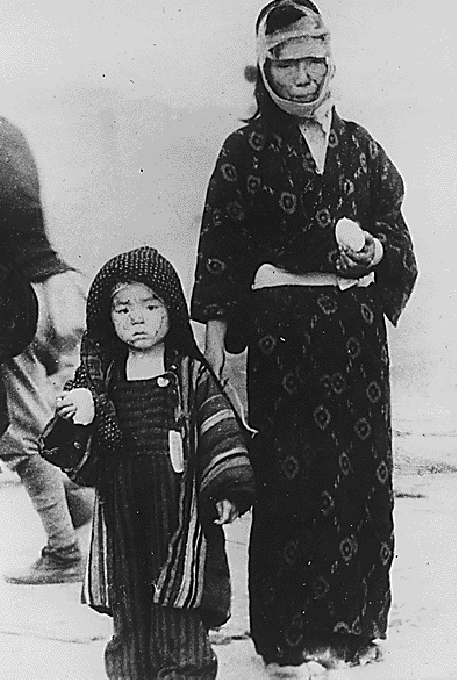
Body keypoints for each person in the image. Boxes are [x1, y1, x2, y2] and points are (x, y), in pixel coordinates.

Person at [191, 0, 418, 673]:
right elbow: (222, 250)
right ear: (265, 69)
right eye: (287, 64)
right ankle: (285, 640)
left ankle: (352, 631)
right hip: (284, 345)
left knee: (360, 480)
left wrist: (374, 250)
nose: (302, 76)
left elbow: (394, 228)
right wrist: (217, 349)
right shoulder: (243, 151)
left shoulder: (361, 146)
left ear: (329, 61)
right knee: (290, 481)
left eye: (313, 61)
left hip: (355, 342)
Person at [56, 245, 255, 679]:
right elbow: (78, 456)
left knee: (178, 605)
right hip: (122, 513)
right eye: (123, 309)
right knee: (129, 611)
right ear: (107, 317)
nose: (138, 318)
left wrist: (228, 489)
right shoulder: (104, 379)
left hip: (178, 512)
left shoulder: (190, 374)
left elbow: (218, 427)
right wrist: (84, 412)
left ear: (171, 310)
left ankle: (185, 672)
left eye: (150, 306)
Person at [0, 117, 92, 584]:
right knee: (36, 419)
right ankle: (73, 501)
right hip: (48, 285)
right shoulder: (8, 129)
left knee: (14, 434)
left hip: (14, 297)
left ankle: (63, 552)